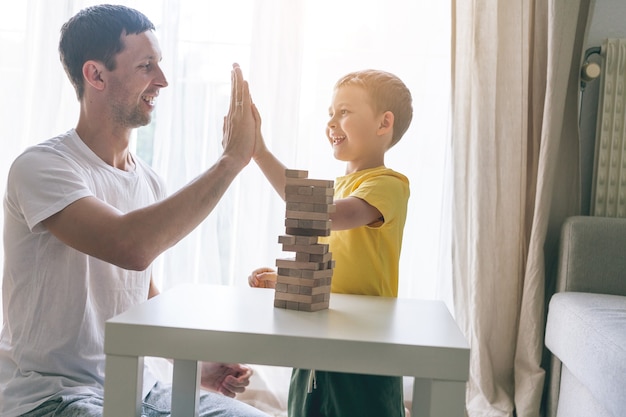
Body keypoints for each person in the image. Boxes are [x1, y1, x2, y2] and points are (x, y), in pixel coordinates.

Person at [0, 4, 268, 417]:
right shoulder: (42, 167)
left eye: (159, 65)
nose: (162, 80)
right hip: (55, 396)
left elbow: (138, 291)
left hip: (143, 387)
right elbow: (130, 246)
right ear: (96, 75)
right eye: (146, 66)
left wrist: (194, 364)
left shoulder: (148, 180)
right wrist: (230, 160)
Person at [248, 69, 413, 416]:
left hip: (364, 344)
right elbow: (332, 261)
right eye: (330, 113)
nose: (332, 122)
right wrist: (288, 281)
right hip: (322, 334)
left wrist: (260, 153)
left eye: (344, 111)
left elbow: (326, 214)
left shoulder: (388, 184)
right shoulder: (338, 188)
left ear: (384, 124)